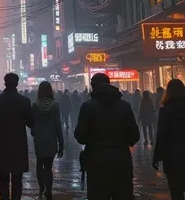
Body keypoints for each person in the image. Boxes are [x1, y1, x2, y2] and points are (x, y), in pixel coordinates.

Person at [74, 72, 140, 200]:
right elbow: (134, 136)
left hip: (96, 164)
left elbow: (80, 136)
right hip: (121, 163)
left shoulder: (88, 107)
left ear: (93, 86)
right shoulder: (124, 106)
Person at [0, 72, 34, 200]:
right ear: (17, 84)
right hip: (19, 144)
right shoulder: (25, 101)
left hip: (2, 143)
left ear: (5, 82)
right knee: (18, 179)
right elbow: (30, 123)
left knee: (3, 179)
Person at [153, 78, 185, 199]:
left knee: (176, 191)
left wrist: (157, 156)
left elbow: (162, 134)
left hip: (172, 157)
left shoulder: (165, 110)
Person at [32, 81, 64, 200]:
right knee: (49, 167)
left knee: (39, 164)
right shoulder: (55, 105)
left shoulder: (35, 106)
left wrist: (34, 131)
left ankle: (41, 188)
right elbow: (58, 125)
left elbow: (32, 123)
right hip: (51, 139)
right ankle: (49, 190)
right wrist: (61, 143)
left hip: (39, 139)